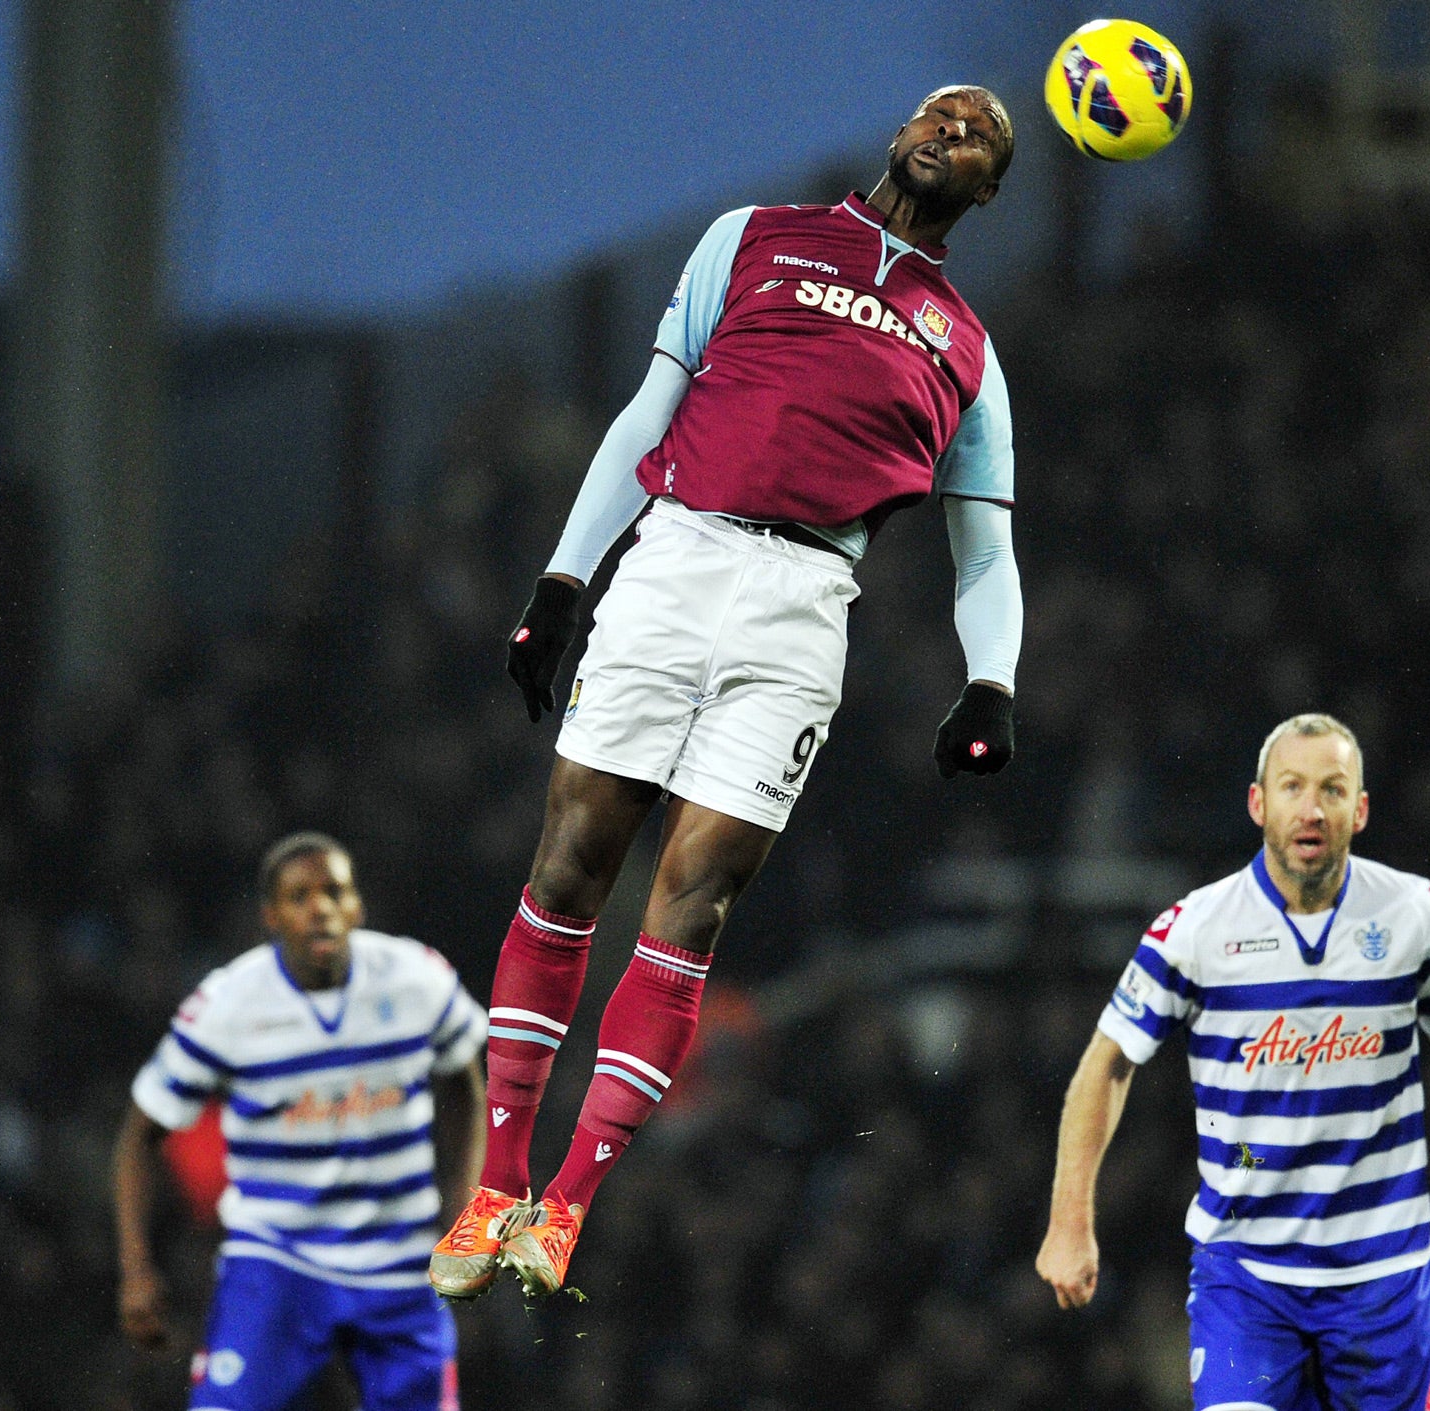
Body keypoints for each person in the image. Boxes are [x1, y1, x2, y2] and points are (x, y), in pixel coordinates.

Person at [429, 83, 1024, 1301]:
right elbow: (647, 410)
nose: (952, 130)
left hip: (804, 611)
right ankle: (492, 1186)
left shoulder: (967, 348)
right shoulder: (752, 236)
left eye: (980, 138)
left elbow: (985, 553)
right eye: (942, 112)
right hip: (676, 557)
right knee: (570, 863)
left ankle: (567, 1205)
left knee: (688, 902)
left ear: (987, 192)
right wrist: (560, 579)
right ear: (902, 132)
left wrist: (991, 683)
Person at [1036, 715, 1430, 1411]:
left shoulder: (1413, 914)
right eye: (1293, 787)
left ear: (1359, 810)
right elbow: (1107, 1063)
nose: (1311, 808)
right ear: (1258, 803)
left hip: (1384, 1279)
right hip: (1247, 1281)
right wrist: (1070, 1221)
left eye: (1332, 789)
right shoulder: (1194, 929)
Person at [116, 833, 488, 1411]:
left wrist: (463, 1209)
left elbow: (465, 1082)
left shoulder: (416, 979)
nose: (319, 907)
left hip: (401, 1261)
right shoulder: (228, 1005)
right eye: (299, 896)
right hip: (279, 1261)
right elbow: (141, 1135)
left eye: (334, 891)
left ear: (357, 906)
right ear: (271, 916)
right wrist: (137, 1269)